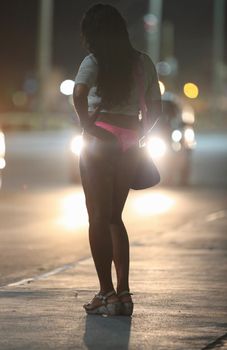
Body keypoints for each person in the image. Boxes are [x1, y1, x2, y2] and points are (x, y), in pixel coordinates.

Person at [73, 4, 161, 316]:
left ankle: (106, 292)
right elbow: (156, 108)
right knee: (114, 216)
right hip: (129, 140)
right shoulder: (143, 62)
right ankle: (123, 293)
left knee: (97, 216)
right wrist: (139, 135)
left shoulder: (94, 61)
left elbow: (79, 93)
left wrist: (87, 126)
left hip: (100, 138)